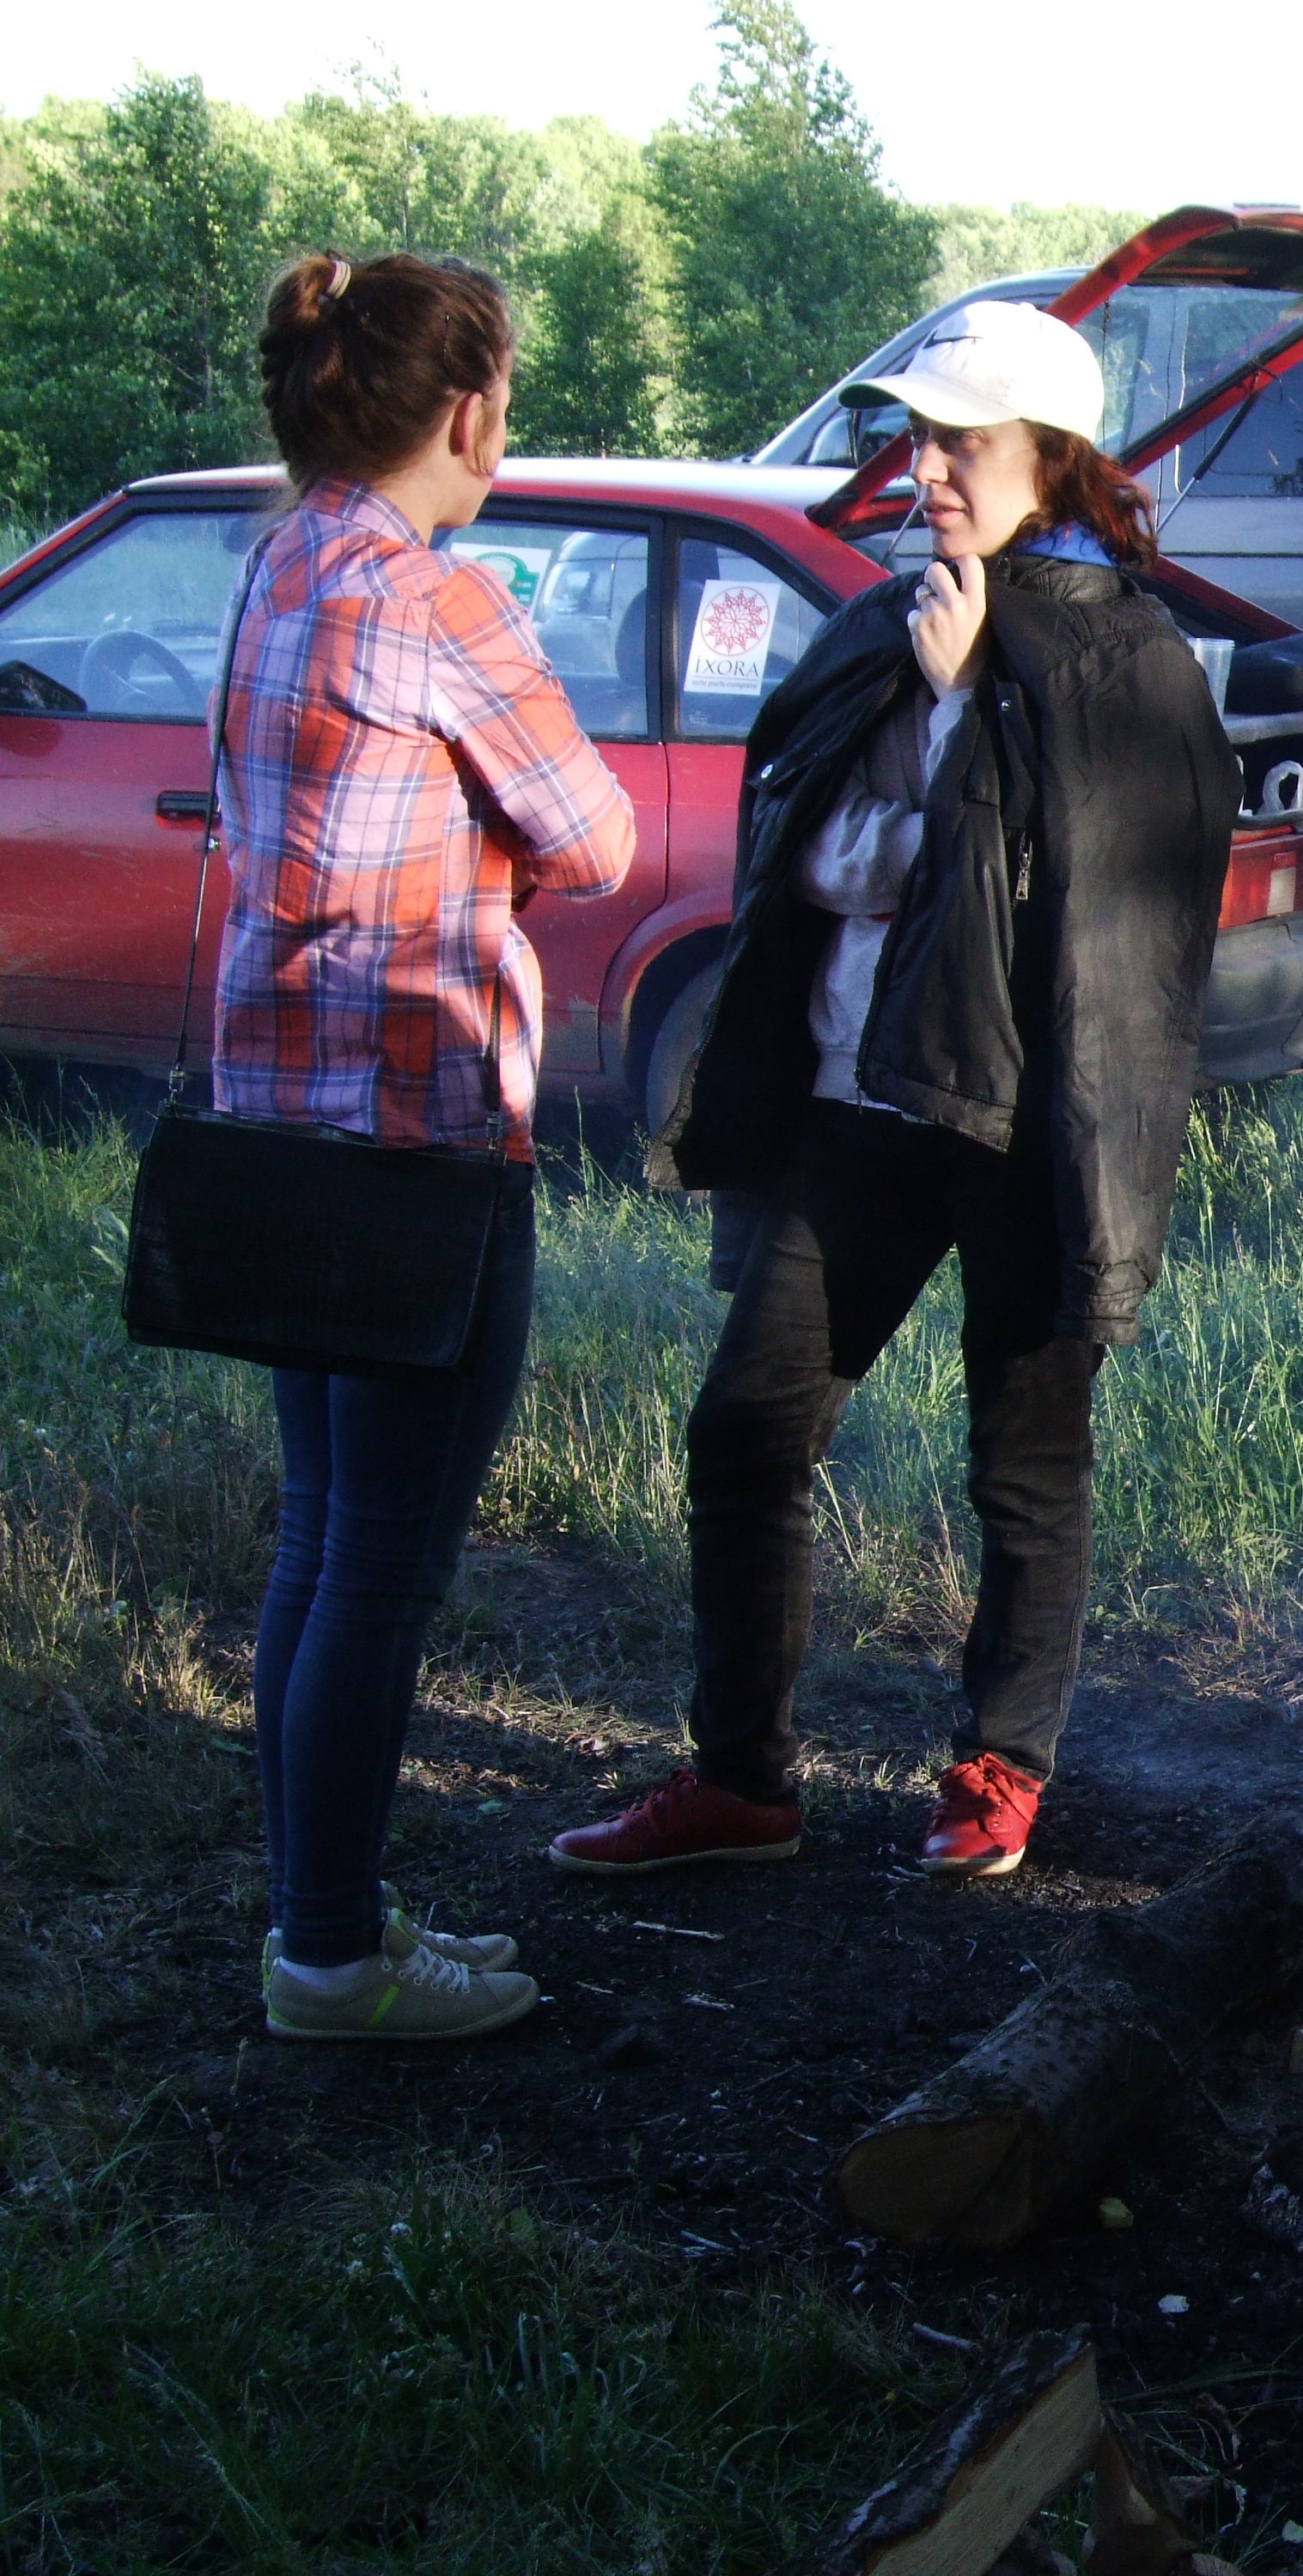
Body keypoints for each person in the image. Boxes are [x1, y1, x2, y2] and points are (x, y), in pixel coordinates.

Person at [551, 301, 1236, 1883]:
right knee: (746, 1429)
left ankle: (999, 1770)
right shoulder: (887, 624)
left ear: (1048, 459)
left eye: (961, 444)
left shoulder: (1122, 656)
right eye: (920, 440)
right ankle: (743, 1782)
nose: (924, 469)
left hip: (1027, 1118)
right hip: (859, 1101)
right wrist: (930, 784)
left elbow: (1097, 906)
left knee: (1024, 1462)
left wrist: (963, 720)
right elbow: (810, 849)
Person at [230, 252, 639, 2039]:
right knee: (379, 1567)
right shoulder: (437, 598)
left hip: (281, 1131)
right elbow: (601, 838)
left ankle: (321, 1923)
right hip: (419, 1134)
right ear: (469, 412)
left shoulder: (280, 562)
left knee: (320, 1540)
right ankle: (331, 1960)